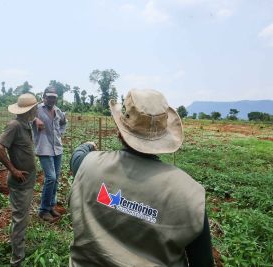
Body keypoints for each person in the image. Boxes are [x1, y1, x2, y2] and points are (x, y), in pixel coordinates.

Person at [69, 89, 214, 267]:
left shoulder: (88, 165)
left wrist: (88, 145)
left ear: (120, 132)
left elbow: (77, 156)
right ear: (165, 137)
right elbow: (203, 262)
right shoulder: (190, 195)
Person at [0, 93, 38, 267]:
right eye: (35, 108)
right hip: (20, 181)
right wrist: (13, 169)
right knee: (20, 220)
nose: (37, 110)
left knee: (21, 218)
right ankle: (16, 260)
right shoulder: (15, 125)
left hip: (27, 180)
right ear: (31, 109)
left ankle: (18, 249)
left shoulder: (26, 124)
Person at [33, 86, 67, 222]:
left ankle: (51, 206)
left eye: (54, 97)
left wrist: (59, 134)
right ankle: (43, 210)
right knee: (51, 178)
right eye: (49, 97)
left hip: (57, 148)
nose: (52, 99)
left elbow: (64, 123)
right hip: (44, 148)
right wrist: (35, 120)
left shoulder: (58, 111)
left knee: (56, 178)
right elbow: (24, 117)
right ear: (44, 97)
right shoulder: (36, 110)